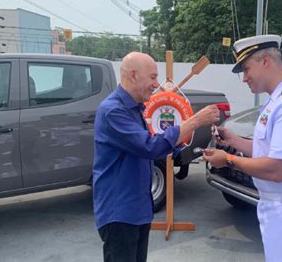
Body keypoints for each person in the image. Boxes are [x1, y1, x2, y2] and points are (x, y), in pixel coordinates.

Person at [203, 35, 282, 262]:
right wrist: (234, 142)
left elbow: (277, 169)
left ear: (266, 61)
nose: (244, 78)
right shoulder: (278, 99)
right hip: (279, 205)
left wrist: (229, 159)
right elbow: (270, 150)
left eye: (246, 69)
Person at [93, 52, 220, 262]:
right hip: (120, 214)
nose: (157, 84)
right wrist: (194, 121)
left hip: (138, 210)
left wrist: (194, 151)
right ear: (133, 75)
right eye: (152, 77)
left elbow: (153, 148)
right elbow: (149, 146)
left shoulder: (135, 109)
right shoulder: (113, 111)